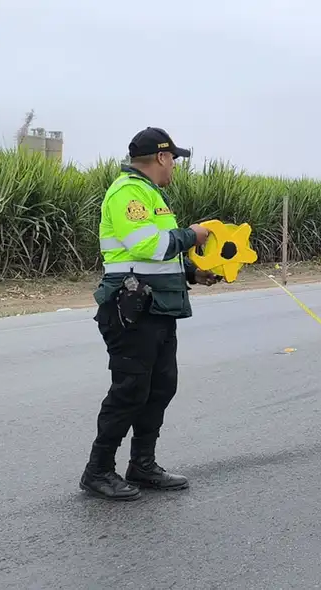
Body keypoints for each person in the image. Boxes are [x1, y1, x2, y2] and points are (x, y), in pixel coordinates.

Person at [80, 127, 221, 501]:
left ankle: (142, 464)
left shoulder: (152, 194)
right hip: (132, 310)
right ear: (160, 157)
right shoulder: (129, 193)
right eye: (173, 158)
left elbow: (159, 256)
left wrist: (194, 273)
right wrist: (193, 234)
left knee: (160, 386)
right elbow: (146, 245)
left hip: (157, 308)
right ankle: (97, 471)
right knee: (129, 390)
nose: (174, 165)